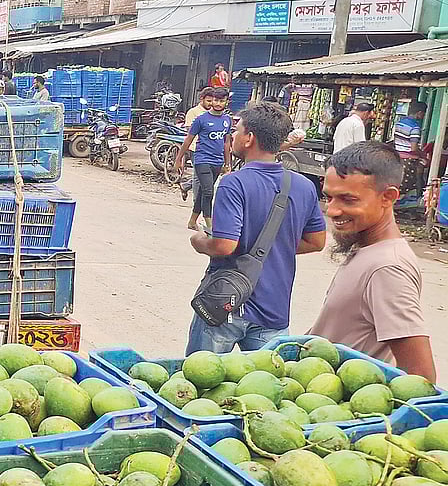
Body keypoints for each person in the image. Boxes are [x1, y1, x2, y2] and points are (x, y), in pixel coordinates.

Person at [185, 101, 327, 354]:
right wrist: (276, 248)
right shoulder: (304, 186)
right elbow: (317, 242)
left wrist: (198, 242)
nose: (233, 136)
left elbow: (224, 245)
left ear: (249, 138)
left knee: (201, 382)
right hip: (274, 309)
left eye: (236, 131)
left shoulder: (234, 183)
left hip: (226, 305)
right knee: (262, 387)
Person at [309, 141, 435, 381]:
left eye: (348, 200)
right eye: (329, 197)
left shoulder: (388, 268)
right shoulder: (366, 247)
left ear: (388, 197)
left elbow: (421, 380)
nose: (332, 210)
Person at [175, 87, 232, 231]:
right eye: (216, 100)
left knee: (202, 192)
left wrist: (228, 163)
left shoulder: (227, 120)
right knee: (208, 191)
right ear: (211, 100)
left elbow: (226, 142)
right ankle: (210, 223)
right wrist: (179, 159)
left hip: (218, 161)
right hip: (202, 159)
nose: (218, 103)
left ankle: (192, 221)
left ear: (226, 102)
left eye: (221, 101)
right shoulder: (201, 119)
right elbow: (188, 140)